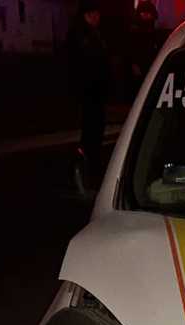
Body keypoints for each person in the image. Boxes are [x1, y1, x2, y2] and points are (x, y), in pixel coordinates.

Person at [68, 0, 109, 193]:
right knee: (91, 132)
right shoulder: (82, 36)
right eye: (93, 14)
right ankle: (88, 169)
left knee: (94, 131)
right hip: (90, 91)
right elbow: (85, 65)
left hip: (94, 91)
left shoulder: (92, 34)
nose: (96, 17)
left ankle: (90, 167)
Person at [128, 0, 160, 96]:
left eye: (149, 13)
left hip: (150, 64)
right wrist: (134, 64)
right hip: (140, 65)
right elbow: (132, 49)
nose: (147, 16)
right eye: (144, 13)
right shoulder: (135, 31)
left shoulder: (152, 30)